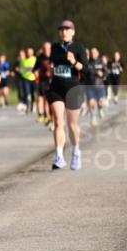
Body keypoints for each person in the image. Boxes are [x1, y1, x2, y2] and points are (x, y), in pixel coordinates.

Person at [47, 20, 89, 170]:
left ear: (73, 32)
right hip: (57, 88)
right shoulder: (55, 47)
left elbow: (86, 70)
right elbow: (53, 64)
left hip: (73, 89)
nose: (64, 32)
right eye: (62, 29)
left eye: (67, 29)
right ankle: (59, 156)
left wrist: (74, 61)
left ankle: (76, 152)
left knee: (72, 124)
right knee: (58, 121)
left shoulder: (79, 47)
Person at [86, 47, 107, 123]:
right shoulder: (87, 63)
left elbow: (106, 71)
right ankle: (93, 117)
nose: (93, 54)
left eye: (95, 52)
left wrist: (102, 74)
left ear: (98, 53)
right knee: (91, 102)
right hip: (90, 86)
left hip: (99, 85)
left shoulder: (101, 61)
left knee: (100, 101)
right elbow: (84, 74)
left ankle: (100, 108)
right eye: (91, 53)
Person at [35, 41, 53, 125]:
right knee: (42, 98)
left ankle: (48, 116)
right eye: (45, 48)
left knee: (48, 100)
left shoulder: (54, 56)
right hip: (42, 81)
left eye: (48, 48)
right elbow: (35, 68)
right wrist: (36, 72)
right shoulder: (40, 57)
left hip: (52, 80)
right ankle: (43, 115)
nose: (46, 50)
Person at [19, 47, 37, 116]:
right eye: (28, 52)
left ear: (32, 53)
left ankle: (33, 105)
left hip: (33, 78)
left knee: (33, 93)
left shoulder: (34, 59)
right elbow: (21, 69)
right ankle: (27, 107)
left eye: (30, 52)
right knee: (27, 93)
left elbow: (34, 67)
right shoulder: (23, 60)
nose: (29, 53)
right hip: (25, 78)